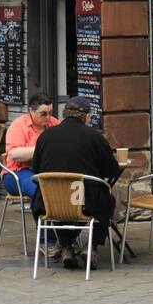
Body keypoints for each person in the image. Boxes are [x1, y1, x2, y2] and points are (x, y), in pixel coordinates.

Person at [31, 96, 123, 270]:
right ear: (86, 117)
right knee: (107, 201)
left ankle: (66, 247)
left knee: (60, 203)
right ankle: (91, 247)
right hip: (84, 201)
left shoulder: (46, 136)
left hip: (50, 203)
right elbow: (111, 171)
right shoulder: (95, 138)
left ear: (65, 114)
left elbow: (37, 170)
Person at [1, 92, 58, 200]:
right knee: (40, 190)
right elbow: (14, 154)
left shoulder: (54, 123)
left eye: (50, 112)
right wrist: (43, 149)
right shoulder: (19, 125)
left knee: (73, 184)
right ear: (31, 111)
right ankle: (44, 216)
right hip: (17, 172)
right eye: (43, 114)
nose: (48, 117)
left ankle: (70, 214)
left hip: (46, 170)